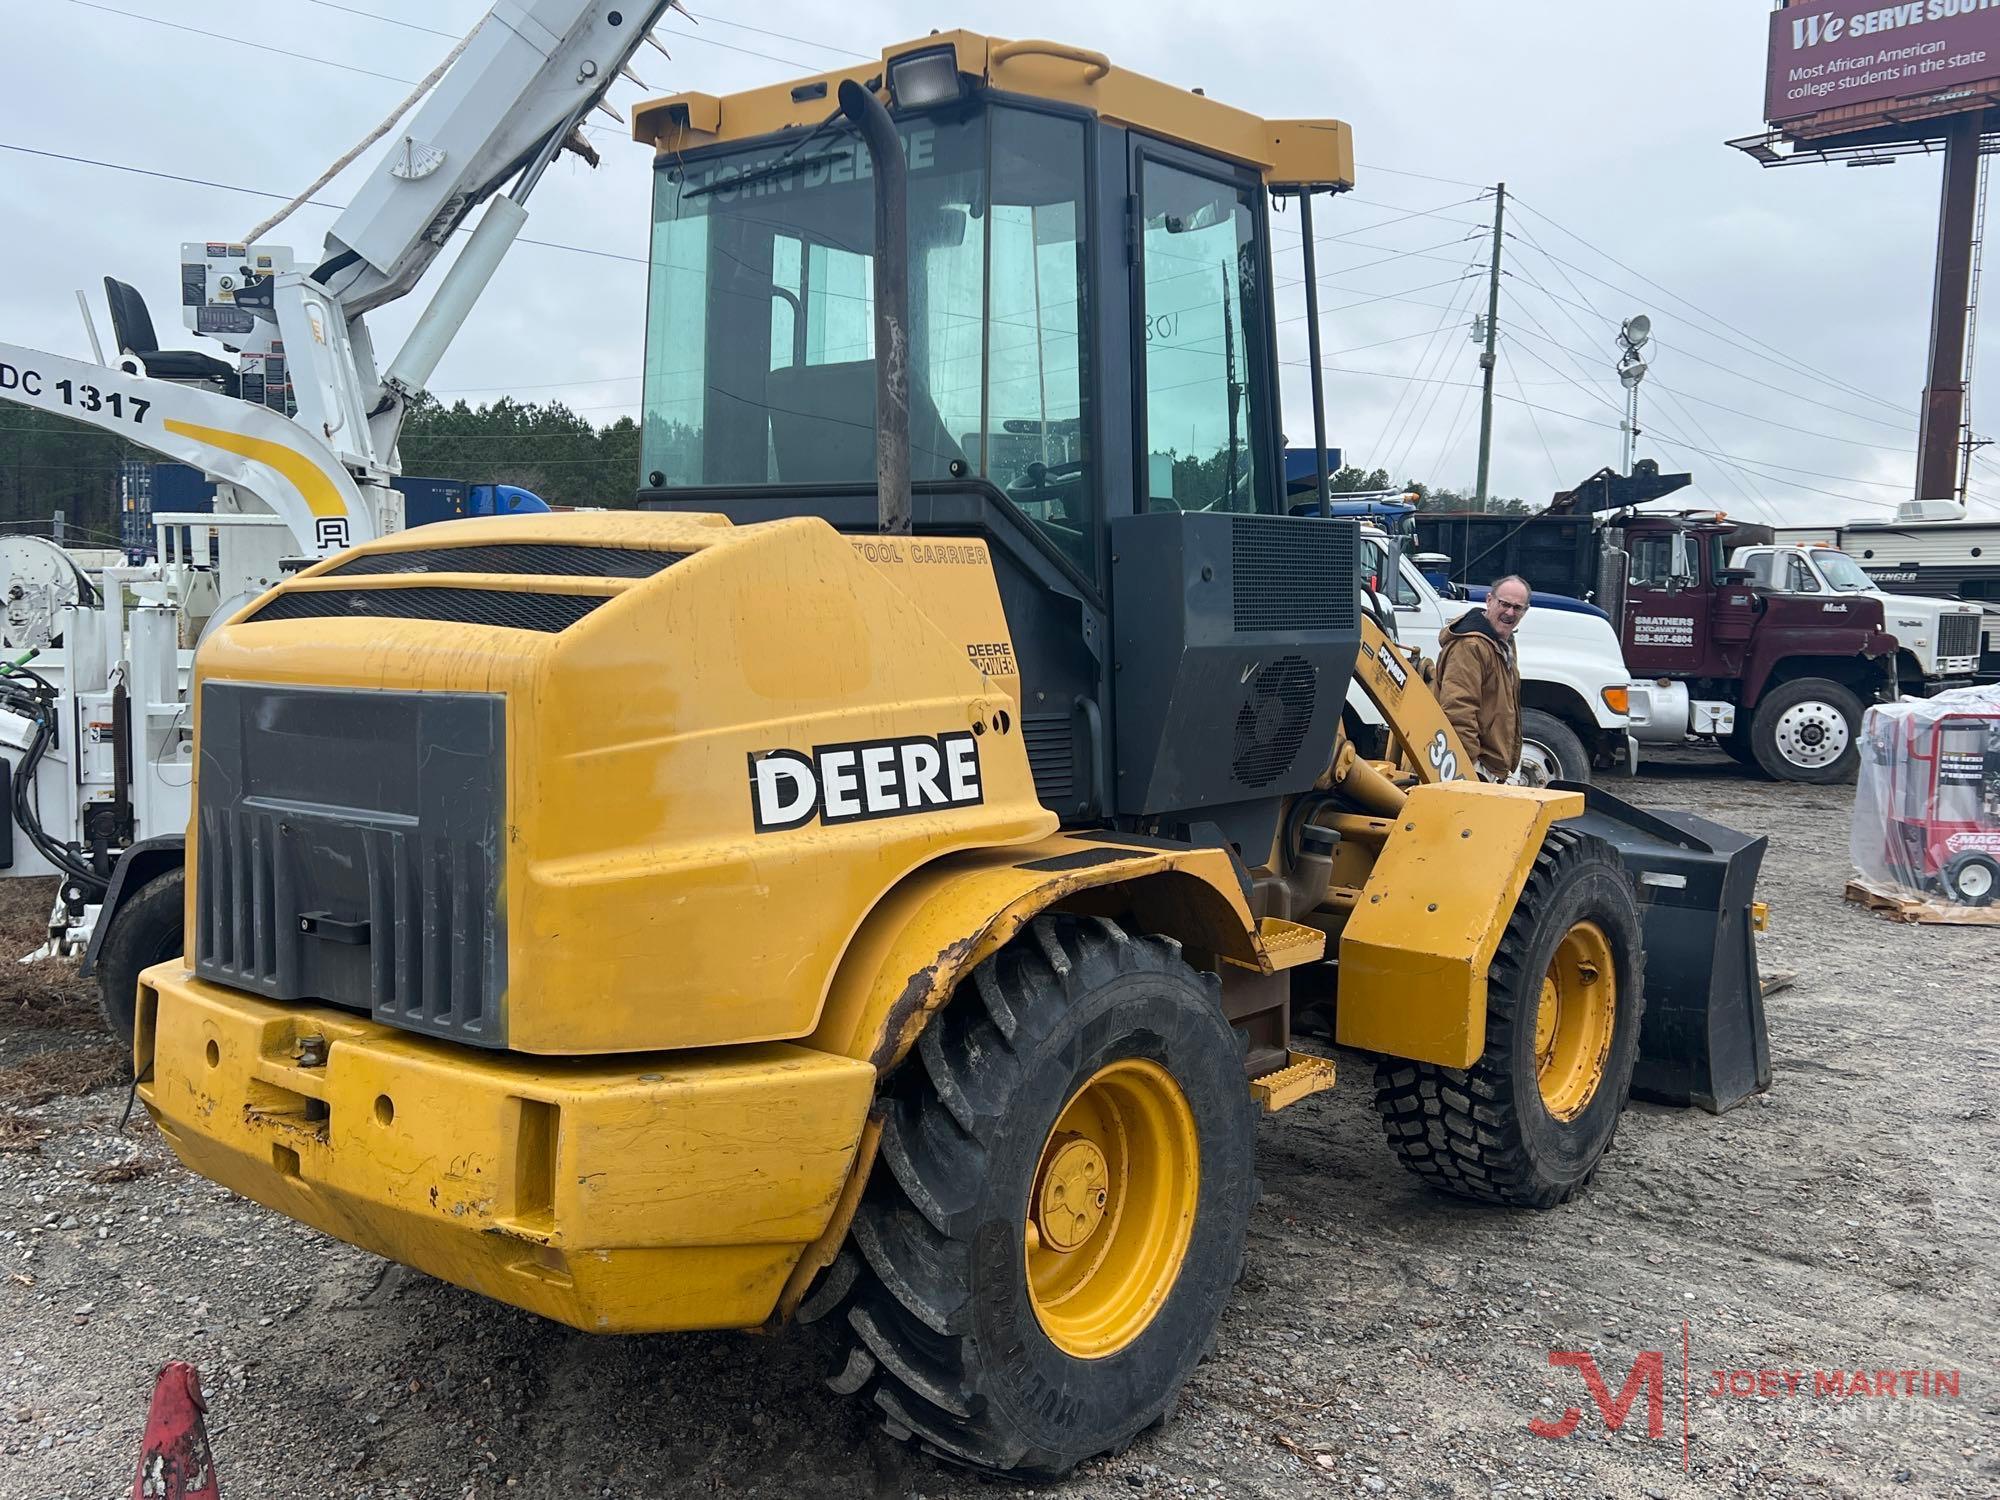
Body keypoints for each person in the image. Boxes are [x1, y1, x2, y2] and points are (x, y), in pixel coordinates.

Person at [1435, 575, 1529, 782]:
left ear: (1525, 611)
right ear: (1489, 600)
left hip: (1493, 767)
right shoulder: (1471, 646)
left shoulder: (1503, 642)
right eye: (1504, 604)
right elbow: (1458, 709)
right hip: (1477, 768)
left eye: (1518, 607)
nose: (1510, 612)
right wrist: (1467, 768)